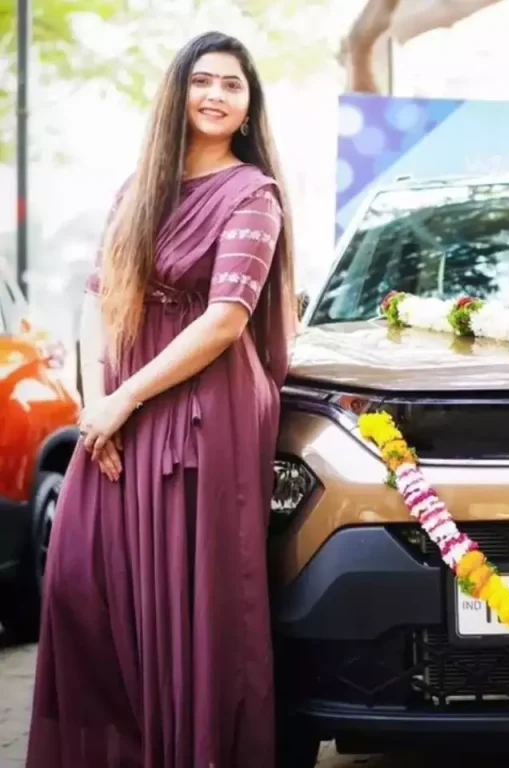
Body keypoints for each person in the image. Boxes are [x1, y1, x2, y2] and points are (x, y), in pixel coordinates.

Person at [27, 31, 297, 768]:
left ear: (248, 106)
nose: (215, 94)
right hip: (119, 406)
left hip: (202, 409)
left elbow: (224, 320)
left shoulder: (254, 195)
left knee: (189, 599)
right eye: (202, 80)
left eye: (232, 85)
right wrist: (97, 405)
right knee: (82, 582)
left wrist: (125, 400)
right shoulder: (137, 187)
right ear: (178, 92)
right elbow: (96, 298)